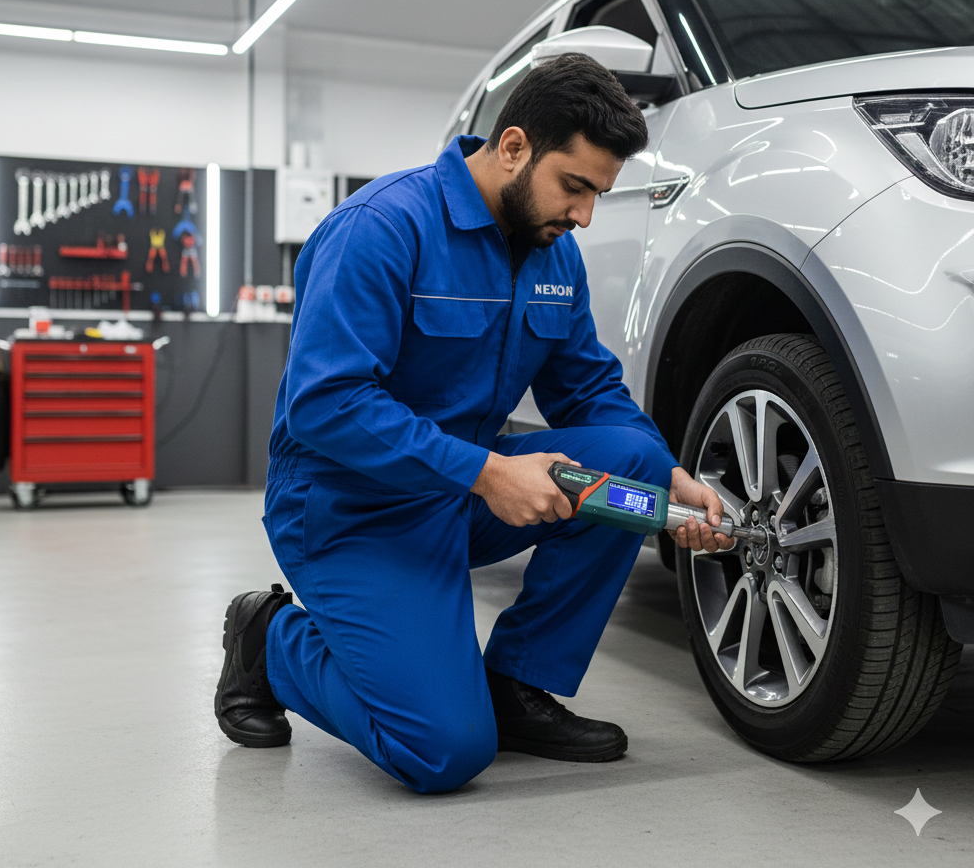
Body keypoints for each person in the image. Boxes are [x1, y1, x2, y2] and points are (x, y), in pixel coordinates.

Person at [215, 53, 733, 794]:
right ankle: (270, 640)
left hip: (459, 496)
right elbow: (325, 404)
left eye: (597, 194)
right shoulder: (381, 228)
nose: (584, 216)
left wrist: (674, 480)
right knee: (441, 752)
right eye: (575, 187)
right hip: (350, 511)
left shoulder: (554, 255)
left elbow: (588, 390)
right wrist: (489, 473)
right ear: (514, 146)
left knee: (634, 462)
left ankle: (515, 685)